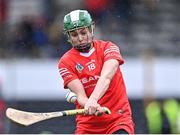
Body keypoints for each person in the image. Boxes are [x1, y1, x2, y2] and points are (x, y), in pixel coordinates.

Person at [58, 9, 134, 134]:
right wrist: (90, 104)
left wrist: (93, 99)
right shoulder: (65, 62)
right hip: (88, 126)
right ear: (69, 37)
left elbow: (106, 77)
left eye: (83, 32)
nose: (80, 38)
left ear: (91, 29)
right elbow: (80, 95)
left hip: (117, 120)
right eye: (75, 35)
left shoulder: (109, 48)